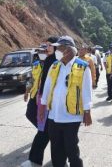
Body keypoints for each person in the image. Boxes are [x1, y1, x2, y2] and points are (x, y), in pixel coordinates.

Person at [40, 36, 92, 167]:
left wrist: (87, 111)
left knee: (71, 149)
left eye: (60, 48)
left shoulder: (83, 67)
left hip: (71, 116)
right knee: (56, 150)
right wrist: (42, 106)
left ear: (69, 50)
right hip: (54, 115)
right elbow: (47, 85)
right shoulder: (54, 65)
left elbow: (86, 90)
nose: (57, 51)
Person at [21, 36, 59, 167]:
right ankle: (36, 160)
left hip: (51, 102)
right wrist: (29, 92)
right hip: (41, 99)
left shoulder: (57, 62)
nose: (46, 48)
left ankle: (36, 161)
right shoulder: (44, 61)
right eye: (45, 46)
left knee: (45, 132)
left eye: (49, 45)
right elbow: (34, 79)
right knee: (45, 130)